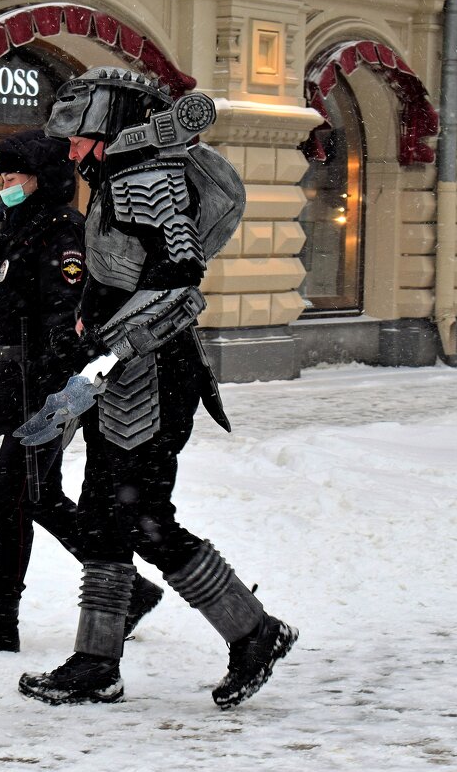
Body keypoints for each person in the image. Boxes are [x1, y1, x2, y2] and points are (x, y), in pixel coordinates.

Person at [15, 68, 297, 709]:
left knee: (141, 516)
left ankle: (254, 631)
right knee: (104, 515)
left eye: (81, 137)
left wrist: (112, 345)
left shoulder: (150, 180)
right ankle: (95, 660)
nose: (73, 151)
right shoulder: (119, 179)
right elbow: (121, 275)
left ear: (110, 128)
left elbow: (179, 283)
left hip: (151, 372)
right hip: (117, 373)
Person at [0, 130, 164, 654]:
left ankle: (4, 617)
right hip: (16, 385)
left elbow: (67, 317)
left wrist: (52, 385)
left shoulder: (62, 230)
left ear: (43, 178)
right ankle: (125, 593)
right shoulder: (20, 225)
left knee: (14, 495)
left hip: (45, 390)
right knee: (30, 497)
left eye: (14, 176)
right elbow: (12, 298)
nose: (4, 184)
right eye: (2, 176)